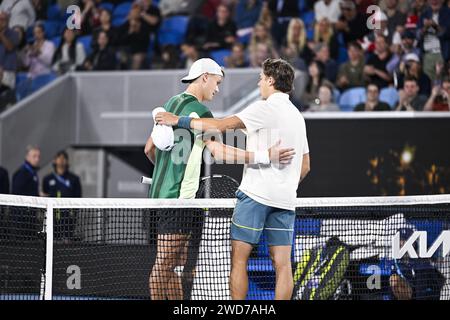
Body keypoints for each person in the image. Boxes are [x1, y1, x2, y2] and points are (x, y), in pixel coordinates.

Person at [155, 58, 311, 300]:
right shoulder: (297, 117)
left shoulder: (264, 108)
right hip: (286, 200)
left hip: (255, 196)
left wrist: (178, 121)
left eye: (261, 78)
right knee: (283, 265)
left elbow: (221, 125)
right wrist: (284, 186)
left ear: (271, 80)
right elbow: (306, 166)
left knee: (239, 260)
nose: (259, 83)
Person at [389, 227, 446, 300]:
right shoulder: (395, 264)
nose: (402, 243)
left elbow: (438, 285)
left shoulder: (424, 264)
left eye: (406, 240)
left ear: (414, 242)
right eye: (401, 240)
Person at [42, 150, 82, 241]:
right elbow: (45, 194)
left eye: (64, 158)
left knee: (66, 242)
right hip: (52, 217)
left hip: (68, 218)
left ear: (67, 161)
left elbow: (78, 197)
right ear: (55, 161)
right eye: (59, 158)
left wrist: (73, 213)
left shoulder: (74, 179)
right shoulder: (47, 179)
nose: (61, 160)